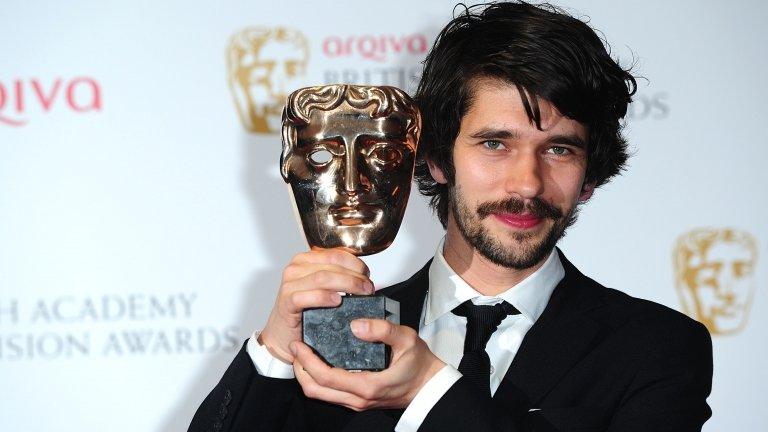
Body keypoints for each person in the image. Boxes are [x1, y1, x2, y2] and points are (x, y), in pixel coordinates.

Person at [189, 2, 713, 431]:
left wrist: (429, 391)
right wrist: (277, 350)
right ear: (437, 159)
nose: (527, 184)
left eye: (559, 151)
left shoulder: (657, 348)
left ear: (590, 176)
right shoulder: (343, 333)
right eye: (494, 144)